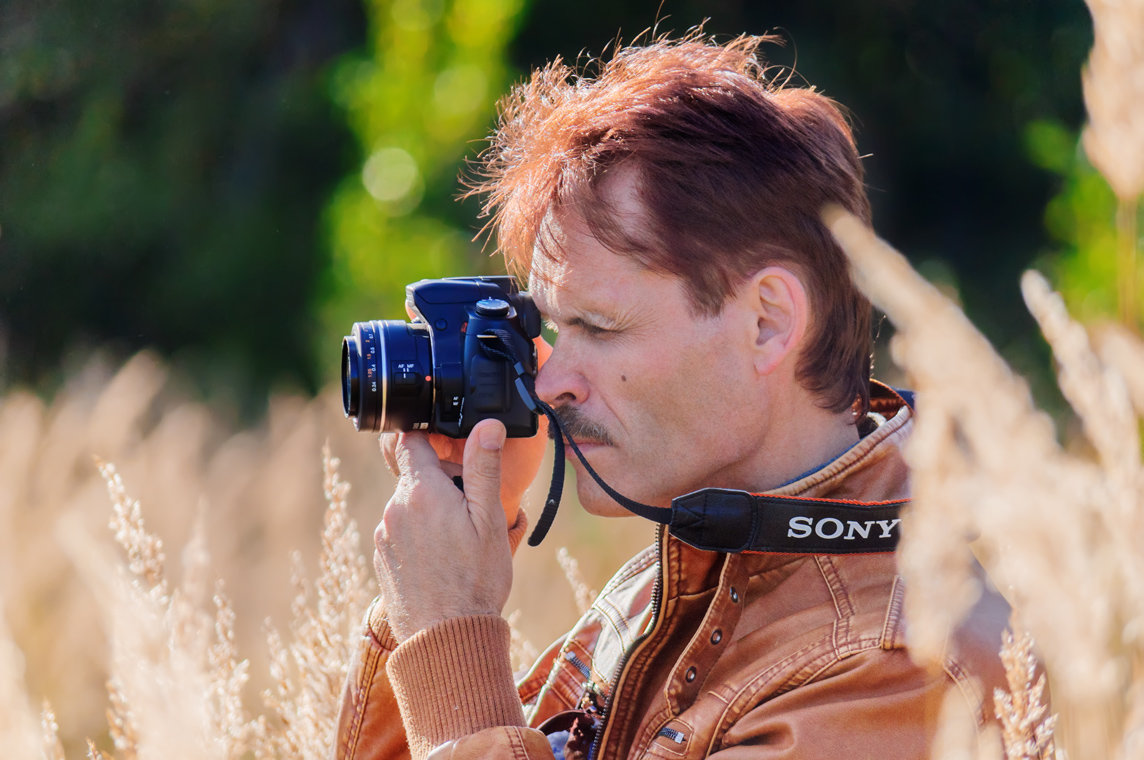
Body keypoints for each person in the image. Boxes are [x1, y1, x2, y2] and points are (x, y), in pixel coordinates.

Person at [335, 31, 1011, 759]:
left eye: (600, 326)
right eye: (553, 328)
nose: (552, 379)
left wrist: (451, 637)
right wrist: (453, 560)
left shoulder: (897, 671)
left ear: (767, 322)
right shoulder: (684, 576)